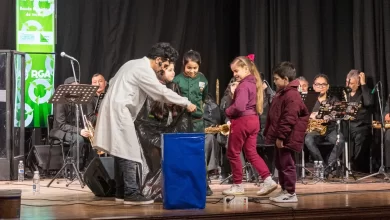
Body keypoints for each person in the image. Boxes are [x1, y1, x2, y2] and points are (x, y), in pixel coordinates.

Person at [93, 42, 196, 205]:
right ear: (158, 60)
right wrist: (185, 102)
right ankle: (131, 193)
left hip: (113, 106)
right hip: (120, 109)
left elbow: (112, 81)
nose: (163, 69)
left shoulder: (131, 64)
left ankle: (121, 192)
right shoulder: (143, 69)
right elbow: (160, 92)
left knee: (121, 150)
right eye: (165, 65)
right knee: (130, 150)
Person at [222, 56, 277, 196]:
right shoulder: (254, 83)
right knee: (251, 153)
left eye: (236, 71)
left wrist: (228, 111)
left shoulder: (244, 85)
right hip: (253, 120)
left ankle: (237, 185)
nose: (234, 75)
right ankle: (268, 180)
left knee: (233, 153)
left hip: (242, 121)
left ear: (246, 68)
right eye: (233, 72)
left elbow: (239, 107)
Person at [264, 62, 309, 203]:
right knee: (280, 164)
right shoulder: (283, 93)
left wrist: (281, 137)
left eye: (276, 78)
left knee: (287, 164)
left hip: (287, 138)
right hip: (282, 136)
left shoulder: (292, 95)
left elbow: (289, 118)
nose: (274, 81)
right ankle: (284, 190)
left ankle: (290, 193)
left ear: (285, 79)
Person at [173, 50, 213, 196]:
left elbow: (203, 97)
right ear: (184, 65)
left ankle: (203, 184)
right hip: (181, 122)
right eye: (189, 68)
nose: (192, 71)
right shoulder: (177, 80)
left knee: (199, 153)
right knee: (183, 153)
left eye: (195, 68)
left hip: (197, 122)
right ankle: (183, 184)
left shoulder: (203, 80)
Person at [50, 77, 93, 171]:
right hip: (60, 131)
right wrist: (80, 131)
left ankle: (87, 166)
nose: (77, 89)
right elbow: (61, 124)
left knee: (95, 139)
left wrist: (87, 129)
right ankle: (73, 168)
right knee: (79, 140)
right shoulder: (61, 102)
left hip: (75, 130)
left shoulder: (80, 102)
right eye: (74, 87)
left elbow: (86, 118)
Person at [304, 74, 345, 170]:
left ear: (327, 86)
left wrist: (331, 116)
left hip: (330, 129)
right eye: (318, 84)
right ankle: (322, 165)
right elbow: (302, 116)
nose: (321, 87)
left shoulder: (334, 100)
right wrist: (312, 115)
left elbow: (340, 115)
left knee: (341, 140)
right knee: (308, 140)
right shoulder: (308, 100)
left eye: (323, 84)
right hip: (315, 130)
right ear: (313, 86)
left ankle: (329, 166)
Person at [344, 70, 373, 171]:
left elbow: (368, 102)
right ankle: (342, 165)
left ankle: (354, 165)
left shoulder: (363, 93)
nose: (348, 85)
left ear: (358, 83)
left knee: (360, 136)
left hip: (360, 126)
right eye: (347, 82)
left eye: (351, 83)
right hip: (346, 125)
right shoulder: (344, 94)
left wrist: (364, 84)